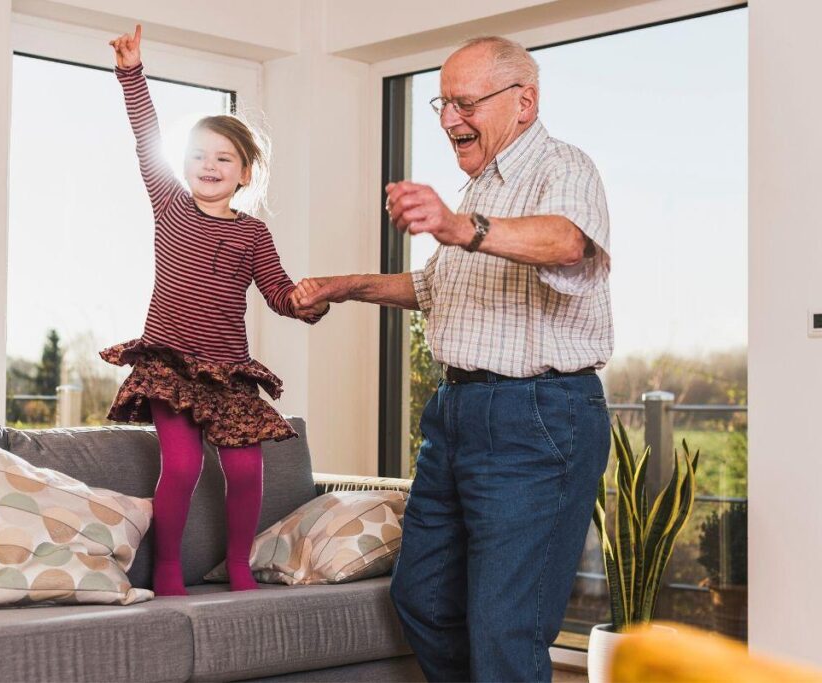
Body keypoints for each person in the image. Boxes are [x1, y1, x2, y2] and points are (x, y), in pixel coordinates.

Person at [297, 36, 613, 682]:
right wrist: (343, 287)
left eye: (464, 103)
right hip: (456, 417)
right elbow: (436, 289)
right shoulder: (477, 191)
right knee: (423, 598)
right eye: (442, 103)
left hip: (537, 419)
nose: (447, 120)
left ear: (523, 102)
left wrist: (458, 228)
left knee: (506, 628)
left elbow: (568, 243)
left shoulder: (562, 167)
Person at [101, 25, 328, 597]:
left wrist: (305, 304)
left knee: (247, 471)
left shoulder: (253, 233)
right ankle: (169, 567)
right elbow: (144, 134)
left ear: (245, 172)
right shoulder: (171, 205)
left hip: (228, 372)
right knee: (181, 466)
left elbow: (277, 292)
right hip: (171, 366)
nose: (209, 164)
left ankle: (238, 564)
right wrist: (132, 72)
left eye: (224, 158)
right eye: (199, 155)